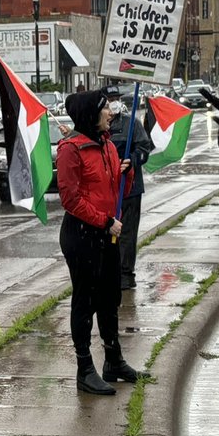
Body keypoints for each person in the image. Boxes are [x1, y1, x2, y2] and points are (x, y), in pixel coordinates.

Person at [57, 89, 139, 396]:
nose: (111, 112)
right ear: (91, 114)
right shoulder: (72, 148)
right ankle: (85, 368)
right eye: (106, 108)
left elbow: (115, 190)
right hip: (82, 236)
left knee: (110, 298)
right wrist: (104, 221)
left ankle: (113, 360)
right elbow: (70, 199)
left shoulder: (107, 145)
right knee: (85, 301)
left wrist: (126, 175)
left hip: (108, 233)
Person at [107, 94, 153, 291]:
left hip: (130, 188)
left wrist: (132, 160)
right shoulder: (99, 125)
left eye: (114, 99)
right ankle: (111, 272)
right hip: (108, 190)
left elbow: (144, 148)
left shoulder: (131, 123)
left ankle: (126, 274)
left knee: (127, 233)